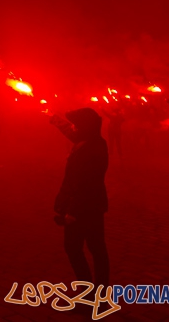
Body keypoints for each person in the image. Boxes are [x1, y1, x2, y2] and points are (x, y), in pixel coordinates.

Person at [50, 108, 109, 292]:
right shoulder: (88, 140)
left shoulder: (93, 148)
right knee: (93, 248)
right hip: (88, 206)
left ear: (85, 127)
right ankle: (95, 292)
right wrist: (54, 118)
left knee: (82, 248)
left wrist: (72, 212)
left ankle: (93, 293)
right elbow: (70, 131)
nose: (73, 127)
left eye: (77, 124)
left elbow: (85, 184)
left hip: (85, 208)